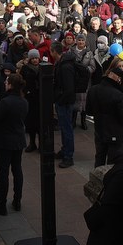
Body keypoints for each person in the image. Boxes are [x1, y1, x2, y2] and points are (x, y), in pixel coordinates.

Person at [0, 73, 28, 215]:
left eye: (7, 81)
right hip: (18, 140)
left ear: (10, 85)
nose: (4, 83)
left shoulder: (6, 102)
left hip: (4, 142)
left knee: (3, 173)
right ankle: (17, 200)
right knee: (17, 170)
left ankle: (1, 204)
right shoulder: (23, 101)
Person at [87, 58, 123, 167]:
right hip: (115, 132)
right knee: (113, 161)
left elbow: (89, 111)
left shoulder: (93, 90)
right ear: (118, 79)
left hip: (99, 130)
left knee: (99, 158)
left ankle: (96, 180)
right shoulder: (117, 94)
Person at [51, 40, 78, 168]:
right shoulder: (61, 63)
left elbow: (68, 88)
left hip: (65, 102)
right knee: (64, 127)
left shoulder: (65, 66)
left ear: (54, 51)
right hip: (63, 100)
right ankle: (64, 150)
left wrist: (60, 100)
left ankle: (68, 156)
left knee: (67, 129)